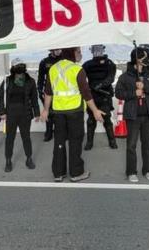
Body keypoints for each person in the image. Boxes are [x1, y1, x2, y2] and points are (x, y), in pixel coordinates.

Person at [39, 47, 106, 182]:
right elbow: (86, 94)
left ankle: (58, 173)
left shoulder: (53, 69)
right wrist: (95, 110)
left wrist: (45, 110)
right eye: (79, 52)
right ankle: (76, 173)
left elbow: (48, 92)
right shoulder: (77, 70)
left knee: (59, 141)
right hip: (74, 111)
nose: (81, 54)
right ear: (72, 53)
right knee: (75, 141)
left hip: (58, 111)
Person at [115, 47, 149, 182]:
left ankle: (147, 170)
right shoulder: (125, 76)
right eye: (144, 57)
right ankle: (131, 172)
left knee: (147, 145)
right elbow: (118, 93)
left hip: (147, 115)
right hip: (132, 116)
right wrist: (134, 93)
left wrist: (144, 86)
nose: (147, 59)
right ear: (136, 59)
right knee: (131, 146)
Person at [0, 58, 39, 172]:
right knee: (10, 138)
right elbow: (1, 97)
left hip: (25, 114)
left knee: (26, 137)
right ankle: (8, 160)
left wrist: (37, 113)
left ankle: (29, 158)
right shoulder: (7, 81)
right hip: (10, 114)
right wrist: (2, 112)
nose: (19, 67)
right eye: (17, 65)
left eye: (21, 65)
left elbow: (34, 98)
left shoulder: (30, 81)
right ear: (13, 68)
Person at [82, 44, 118, 151]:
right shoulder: (87, 65)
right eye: (95, 50)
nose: (97, 52)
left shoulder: (109, 63)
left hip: (105, 96)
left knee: (106, 119)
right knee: (91, 121)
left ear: (103, 50)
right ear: (92, 51)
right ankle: (89, 142)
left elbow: (111, 78)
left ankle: (112, 141)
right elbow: (82, 79)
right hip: (92, 96)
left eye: (99, 50)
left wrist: (100, 85)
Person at [37, 49, 63, 142]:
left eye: (59, 49)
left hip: (61, 92)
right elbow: (40, 78)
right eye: (56, 49)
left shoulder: (64, 60)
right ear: (51, 50)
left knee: (60, 114)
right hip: (48, 92)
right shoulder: (44, 62)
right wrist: (40, 91)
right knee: (49, 113)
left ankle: (61, 132)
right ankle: (48, 132)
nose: (58, 51)